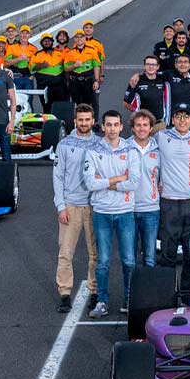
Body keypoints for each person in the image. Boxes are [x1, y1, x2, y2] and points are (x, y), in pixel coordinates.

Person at [83, 111, 136, 317]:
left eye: (116, 125)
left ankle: (130, 300)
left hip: (125, 212)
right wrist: (118, 178)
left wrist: (105, 183)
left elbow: (133, 182)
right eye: (109, 125)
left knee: (129, 260)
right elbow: (90, 183)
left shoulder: (131, 150)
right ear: (103, 127)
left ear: (121, 127)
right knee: (103, 261)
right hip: (102, 212)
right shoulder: (93, 150)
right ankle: (102, 302)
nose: (112, 128)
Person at [52, 103, 101, 313]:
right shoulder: (64, 144)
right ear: (75, 121)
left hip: (94, 206)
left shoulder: (100, 144)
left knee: (96, 253)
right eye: (80, 120)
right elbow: (57, 176)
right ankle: (65, 293)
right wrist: (61, 206)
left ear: (93, 121)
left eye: (87, 120)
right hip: (71, 206)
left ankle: (95, 291)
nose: (84, 123)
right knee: (65, 253)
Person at [154, 105, 190, 281]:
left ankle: (188, 295)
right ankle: (166, 293)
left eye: (186, 116)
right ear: (172, 119)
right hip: (169, 201)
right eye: (178, 116)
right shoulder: (161, 136)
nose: (182, 120)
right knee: (168, 251)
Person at [127, 110, 162, 271]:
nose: (142, 129)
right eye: (138, 125)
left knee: (149, 257)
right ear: (133, 128)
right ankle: (130, 295)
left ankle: (148, 294)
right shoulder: (124, 148)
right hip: (128, 209)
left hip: (151, 209)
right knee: (129, 258)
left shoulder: (159, 150)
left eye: (145, 125)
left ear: (151, 128)